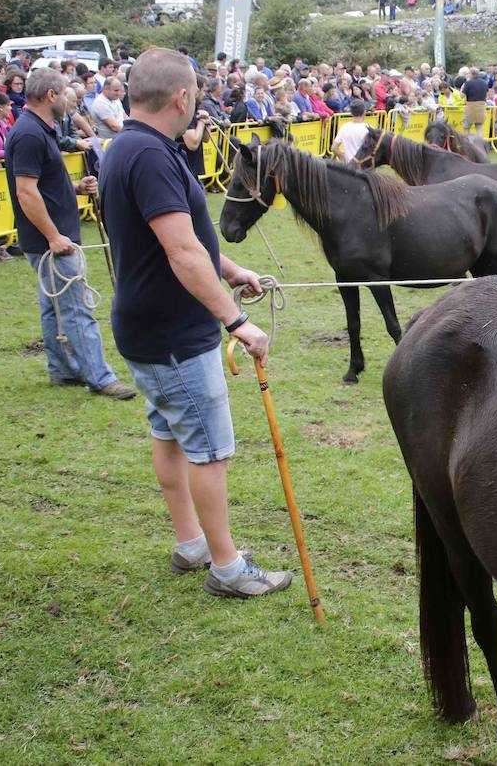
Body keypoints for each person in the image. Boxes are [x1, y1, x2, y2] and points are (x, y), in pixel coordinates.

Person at [99, 47, 289, 599]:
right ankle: (228, 568)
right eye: (197, 97)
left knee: (170, 433)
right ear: (181, 97)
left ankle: (191, 542)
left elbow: (183, 241)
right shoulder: (153, 156)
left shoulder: (128, 146)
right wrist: (237, 322)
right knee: (208, 446)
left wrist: (231, 268)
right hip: (173, 333)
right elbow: (181, 252)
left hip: (147, 325)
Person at [3, 68, 134, 399]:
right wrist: (53, 236)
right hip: (52, 239)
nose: (69, 103)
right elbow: (26, 192)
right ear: (51, 95)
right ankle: (100, 377)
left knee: (54, 306)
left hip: (52, 235)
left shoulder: (39, 129)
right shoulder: (30, 134)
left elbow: (42, 185)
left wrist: (75, 186)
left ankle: (62, 368)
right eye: (65, 96)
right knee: (77, 308)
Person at [460, 67, 489, 135]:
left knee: (466, 128)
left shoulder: (468, 83)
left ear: (471, 74)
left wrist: (462, 87)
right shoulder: (484, 82)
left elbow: (462, 96)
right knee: (479, 128)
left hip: (470, 108)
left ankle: (467, 144)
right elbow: (486, 94)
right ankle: (480, 144)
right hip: (481, 107)